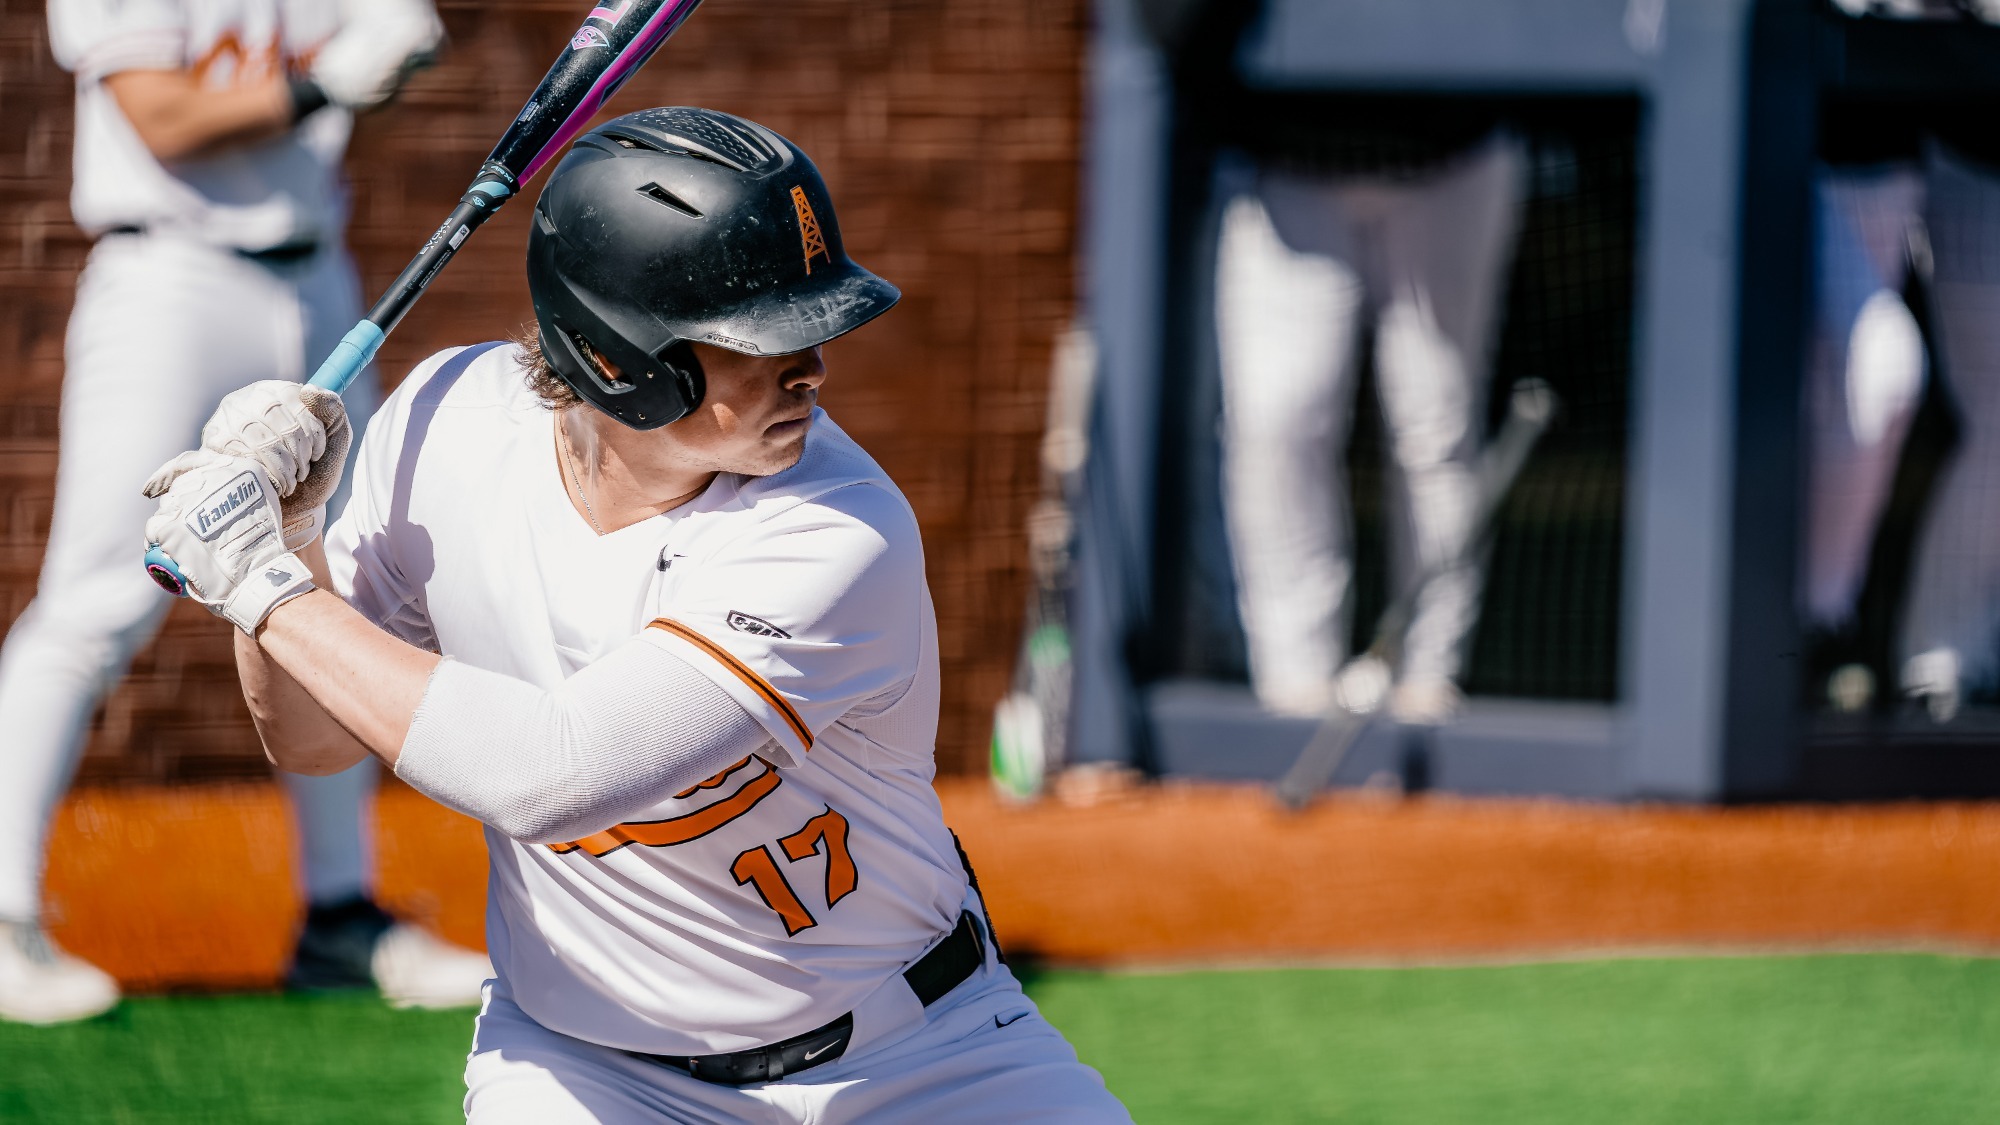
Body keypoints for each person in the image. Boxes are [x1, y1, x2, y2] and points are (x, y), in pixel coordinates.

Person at [141, 106, 1132, 1123]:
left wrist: (262, 584)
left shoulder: (838, 530)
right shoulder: (448, 424)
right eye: (761, 338)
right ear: (618, 356)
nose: (811, 369)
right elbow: (309, 741)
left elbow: (553, 776)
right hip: (587, 1074)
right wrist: (295, 537)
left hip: (918, 1062)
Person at [0, 0, 489, 1025]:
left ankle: (339, 915)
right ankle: (3, 918)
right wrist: (324, 83)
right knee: (98, 600)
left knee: (338, 583)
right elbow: (164, 118)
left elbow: (335, 124)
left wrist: (384, 74)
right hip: (167, 279)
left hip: (317, 276)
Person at [1213, 133, 1526, 723]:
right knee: (1279, 419)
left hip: (1452, 153)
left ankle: (1427, 689)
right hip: (1288, 159)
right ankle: (1293, 695)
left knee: (1437, 425)